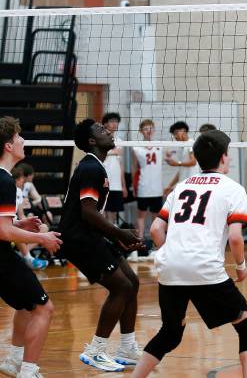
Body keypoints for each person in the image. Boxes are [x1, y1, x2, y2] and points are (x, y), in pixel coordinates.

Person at [131, 130, 247, 378]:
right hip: (204, 268)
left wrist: (172, 254)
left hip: (169, 267)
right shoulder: (233, 189)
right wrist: (241, 266)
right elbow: (235, 237)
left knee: (170, 333)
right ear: (223, 158)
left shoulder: (181, 186)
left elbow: (157, 228)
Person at [60, 119, 145, 372]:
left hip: (90, 235)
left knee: (133, 282)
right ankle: (95, 350)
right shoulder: (89, 168)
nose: (108, 131)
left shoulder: (97, 166)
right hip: (78, 239)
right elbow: (88, 212)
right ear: (92, 141)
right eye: (100, 129)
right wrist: (119, 231)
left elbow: (92, 215)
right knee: (121, 287)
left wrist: (115, 237)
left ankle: (127, 348)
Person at [0, 117, 62, 378]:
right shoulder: (4, 181)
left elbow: (4, 224)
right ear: (8, 146)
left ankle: (14, 362)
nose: (23, 141)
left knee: (27, 305)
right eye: (18, 137)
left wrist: (20, 223)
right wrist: (42, 239)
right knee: (43, 309)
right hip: (1, 257)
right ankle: (28, 371)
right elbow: (2, 232)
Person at [130, 119, 163, 259]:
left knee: (157, 219)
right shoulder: (136, 148)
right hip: (143, 187)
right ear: (141, 131)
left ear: (154, 129)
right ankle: (138, 248)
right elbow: (134, 168)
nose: (148, 131)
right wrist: (133, 185)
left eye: (150, 128)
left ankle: (157, 248)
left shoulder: (161, 145)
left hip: (157, 188)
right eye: (145, 129)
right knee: (141, 217)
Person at [102, 112, 127, 225]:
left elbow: (121, 164)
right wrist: (112, 152)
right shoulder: (100, 139)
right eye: (111, 121)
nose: (114, 124)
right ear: (105, 124)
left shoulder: (120, 141)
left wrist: (124, 185)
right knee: (101, 213)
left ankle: (111, 240)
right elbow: (99, 155)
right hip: (103, 181)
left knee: (112, 215)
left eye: (116, 122)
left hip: (116, 184)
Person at [163, 121, 199, 196]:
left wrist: (177, 163)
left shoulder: (191, 143)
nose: (175, 136)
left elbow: (193, 162)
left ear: (184, 130)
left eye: (176, 133)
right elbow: (181, 171)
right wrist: (169, 185)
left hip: (192, 185)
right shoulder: (181, 147)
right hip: (183, 185)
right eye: (173, 134)